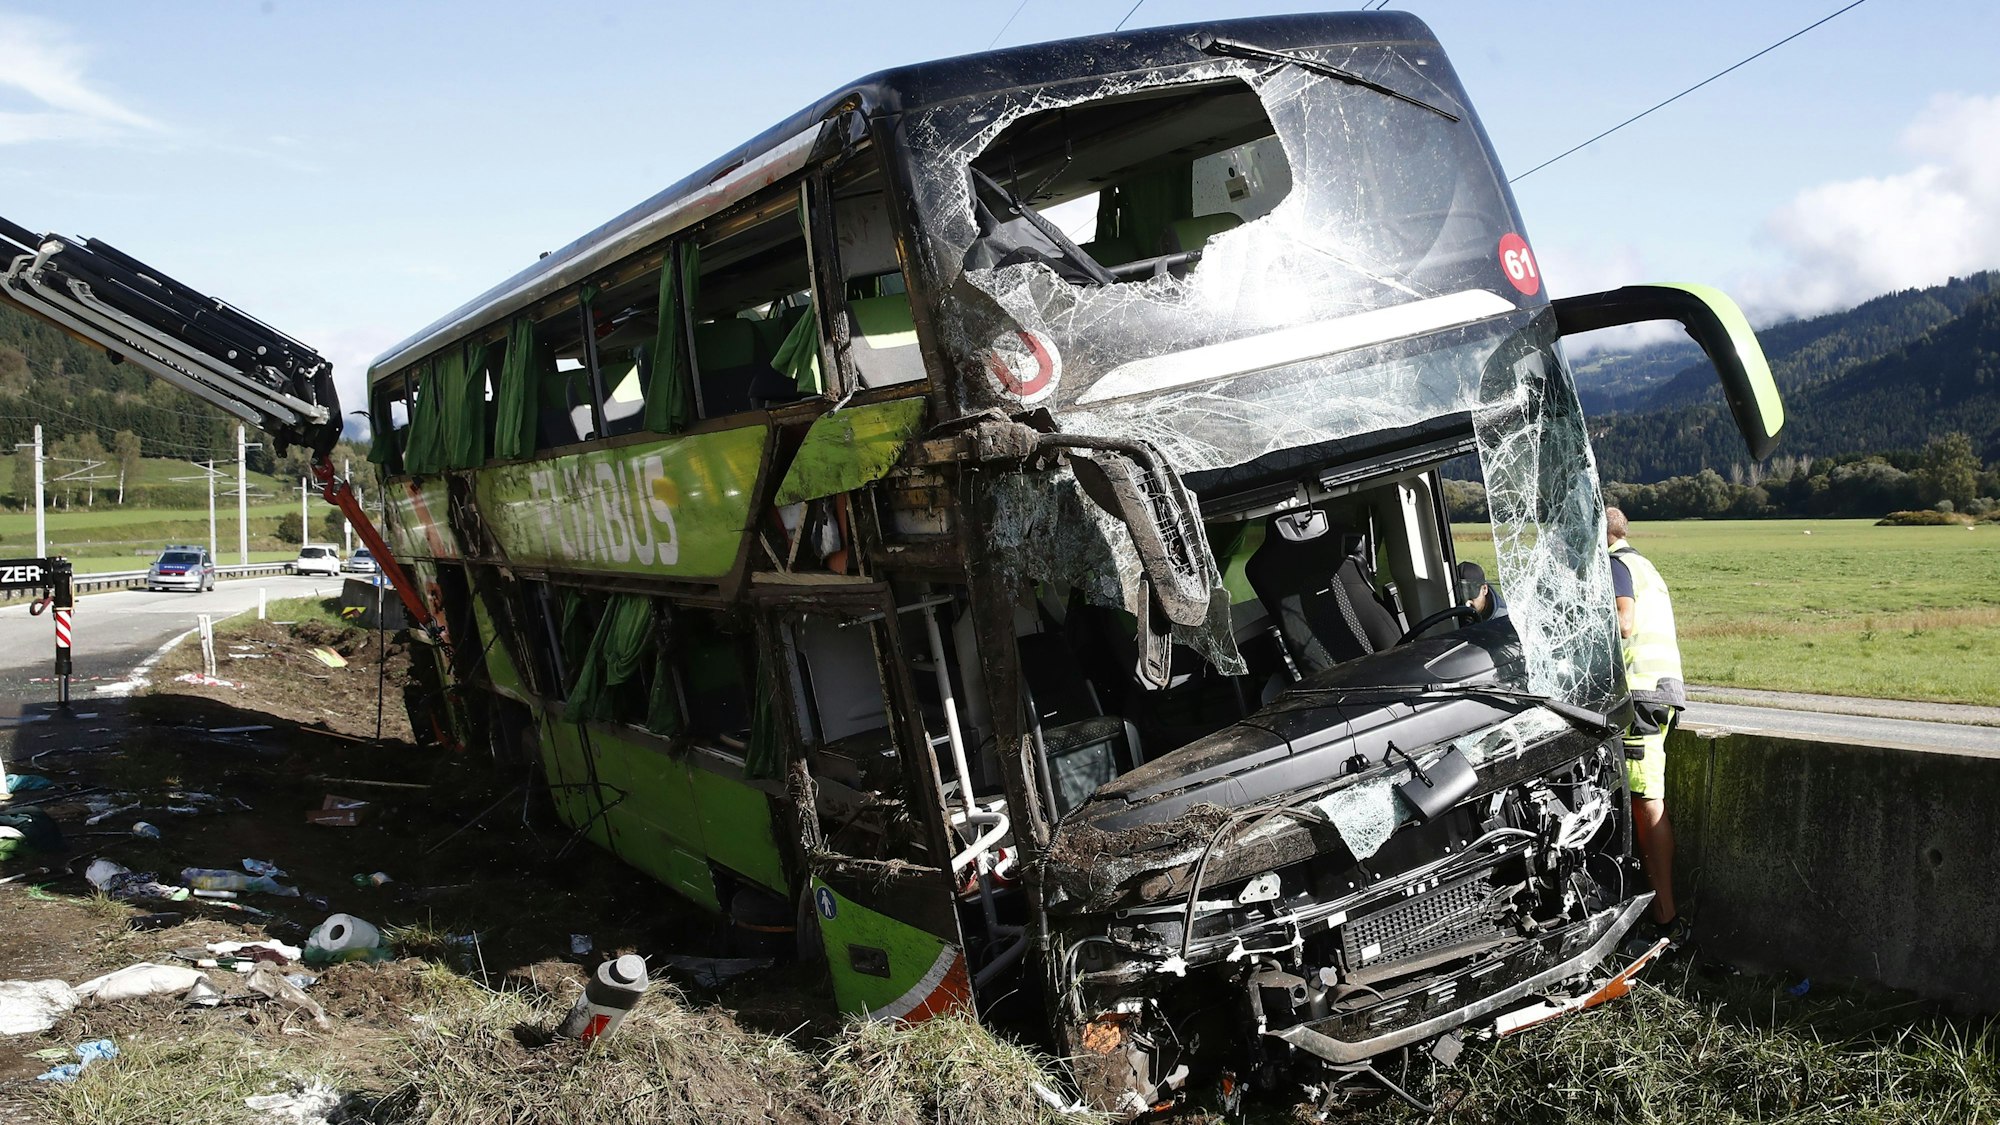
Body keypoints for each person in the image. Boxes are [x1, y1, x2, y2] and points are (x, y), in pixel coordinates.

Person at [1606, 506, 1689, 954]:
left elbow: (1623, 622)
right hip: (1660, 691)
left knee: (1645, 802)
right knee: (1641, 799)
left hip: (1639, 695)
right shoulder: (1644, 565)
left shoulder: (1614, 565)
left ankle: (1666, 921)